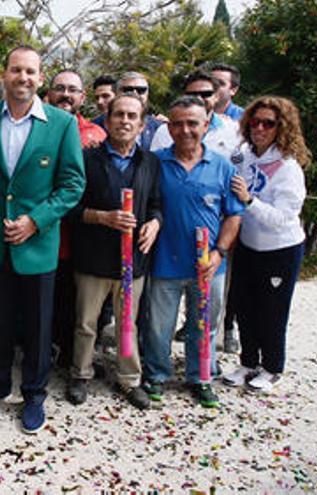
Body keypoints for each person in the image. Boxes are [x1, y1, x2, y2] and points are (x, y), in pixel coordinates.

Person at [0, 46, 85, 434]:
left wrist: (36, 221)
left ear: (40, 77)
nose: (23, 78)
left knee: (37, 326)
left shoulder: (61, 123)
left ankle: (34, 393)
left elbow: (72, 185)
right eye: (16, 70)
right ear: (5, 73)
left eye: (31, 71)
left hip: (37, 244)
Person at [141, 96, 244, 408]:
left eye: (193, 123)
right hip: (164, 263)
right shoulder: (154, 163)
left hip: (209, 266)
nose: (185, 130)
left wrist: (219, 253)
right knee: (159, 326)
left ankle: (200, 377)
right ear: (169, 127)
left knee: (205, 326)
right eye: (178, 123)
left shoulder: (223, 167)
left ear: (206, 125)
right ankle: (156, 374)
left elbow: (234, 216)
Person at [66, 93, 162, 410]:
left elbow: (157, 205)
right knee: (85, 323)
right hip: (93, 258)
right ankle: (80, 373)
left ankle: (129, 379)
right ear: (107, 122)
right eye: (118, 115)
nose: (124, 121)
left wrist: (155, 224)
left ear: (142, 124)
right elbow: (71, 207)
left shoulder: (150, 162)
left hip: (133, 261)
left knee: (127, 325)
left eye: (131, 116)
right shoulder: (87, 158)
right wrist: (102, 217)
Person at [222, 96, 309, 393]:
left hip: (280, 250)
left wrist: (249, 200)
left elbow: (284, 217)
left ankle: (272, 367)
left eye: (268, 123)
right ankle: (248, 362)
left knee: (271, 311)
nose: (260, 128)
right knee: (244, 306)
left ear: (281, 128)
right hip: (249, 244)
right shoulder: (245, 154)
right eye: (255, 121)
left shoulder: (288, 166)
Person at [45, 69, 106, 369]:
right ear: (49, 94)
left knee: (74, 306)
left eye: (73, 89)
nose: (66, 95)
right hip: (40, 234)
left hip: (80, 239)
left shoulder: (96, 136)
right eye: (59, 88)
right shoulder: (36, 126)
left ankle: (70, 358)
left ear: (83, 97)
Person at [149, 70, 240, 159]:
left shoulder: (233, 131)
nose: (198, 99)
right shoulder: (165, 132)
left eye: (206, 94)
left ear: (216, 97)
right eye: (192, 94)